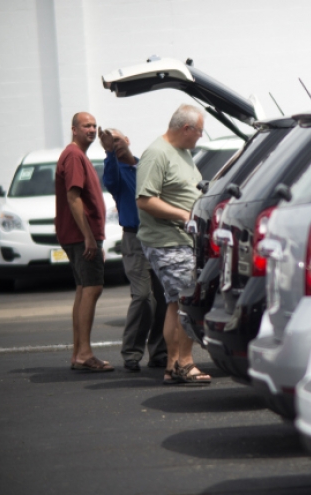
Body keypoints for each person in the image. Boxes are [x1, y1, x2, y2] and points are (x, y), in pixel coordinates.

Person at [136, 104, 211, 385]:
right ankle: (185, 363)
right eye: (199, 132)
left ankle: (173, 365)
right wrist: (183, 214)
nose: (200, 137)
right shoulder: (157, 154)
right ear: (186, 128)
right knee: (188, 301)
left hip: (183, 241)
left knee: (176, 303)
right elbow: (144, 200)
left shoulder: (183, 152)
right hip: (168, 242)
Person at [100, 128, 168, 372]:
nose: (115, 144)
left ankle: (159, 352)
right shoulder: (116, 173)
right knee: (142, 297)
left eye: (117, 140)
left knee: (163, 298)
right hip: (134, 239)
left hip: (159, 237)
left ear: (128, 140)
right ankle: (131, 353)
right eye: (109, 142)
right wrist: (108, 152)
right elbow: (108, 180)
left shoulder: (147, 166)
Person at [55, 112, 113, 372]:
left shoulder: (76, 155)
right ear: (74, 130)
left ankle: (78, 352)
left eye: (93, 125)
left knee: (83, 289)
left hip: (80, 236)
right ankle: (84, 354)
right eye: (86, 126)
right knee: (92, 288)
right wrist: (89, 237)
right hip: (81, 236)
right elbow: (73, 197)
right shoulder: (75, 156)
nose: (91, 129)